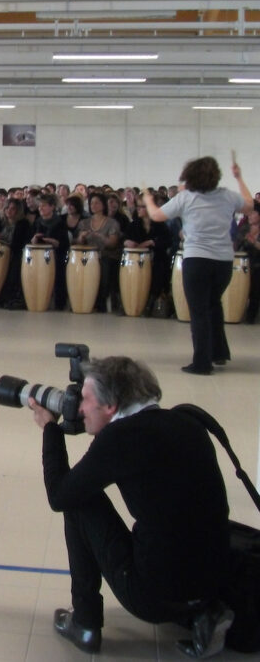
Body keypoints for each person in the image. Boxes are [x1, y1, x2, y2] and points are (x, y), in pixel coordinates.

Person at [28, 356, 233, 658]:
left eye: (85, 400)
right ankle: (201, 612)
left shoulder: (120, 438)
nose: (79, 409)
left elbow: (60, 496)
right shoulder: (188, 421)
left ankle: (84, 622)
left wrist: (50, 430)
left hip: (154, 597)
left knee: (80, 502)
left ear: (111, 407)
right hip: (214, 582)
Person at [144, 156, 252, 374]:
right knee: (213, 304)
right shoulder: (227, 196)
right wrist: (239, 178)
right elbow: (249, 205)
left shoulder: (186, 198)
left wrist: (147, 198)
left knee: (199, 311)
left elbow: (156, 215)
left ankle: (202, 363)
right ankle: (219, 353)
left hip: (197, 260)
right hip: (223, 262)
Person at [76, 192, 122, 313]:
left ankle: (101, 302)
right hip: (88, 256)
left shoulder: (112, 223)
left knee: (104, 265)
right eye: (91, 203)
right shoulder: (84, 223)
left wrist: (101, 237)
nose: (93, 205)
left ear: (103, 205)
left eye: (97, 203)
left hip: (105, 255)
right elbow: (79, 243)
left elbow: (112, 244)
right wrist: (82, 237)